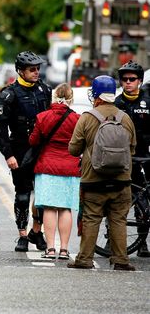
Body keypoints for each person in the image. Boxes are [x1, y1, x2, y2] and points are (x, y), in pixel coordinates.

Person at [68, 75, 136, 271]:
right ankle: (121, 260)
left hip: (93, 180)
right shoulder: (126, 118)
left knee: (91, 218)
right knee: (118, 219)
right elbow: (132, 149)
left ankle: (85, 259)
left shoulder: (87, 118)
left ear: (96, 95)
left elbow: (73, 149)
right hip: (122, 180)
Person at [0, 50, 51, 252]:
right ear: (20, 71)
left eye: (38, 69)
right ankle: (23, 235)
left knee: (43, 196)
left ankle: (37, 231)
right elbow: (0, 130)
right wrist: (8, 155)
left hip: (41, 150)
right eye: (31, 70)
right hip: (19, 150)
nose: (36, 73)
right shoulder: (9, 94)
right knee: (23, 196)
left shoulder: (45, 90)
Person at [29, 83, 80, 259]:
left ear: (54, 96)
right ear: (71, 99)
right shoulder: (77, 119)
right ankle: (64, 250)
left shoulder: (42, 117)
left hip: (47, 166)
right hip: (70, 167)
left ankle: (50, 249)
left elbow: (33, 141)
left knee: (49, 208)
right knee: (65, 208)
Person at [114, 60, 150, 258]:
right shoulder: (118, 103)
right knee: (133, 198)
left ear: (140, 81)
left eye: (132, 79)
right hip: (127, 157)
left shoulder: (148, 100)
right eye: (124, 79)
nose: (128, 82)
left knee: (146, 197)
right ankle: (140, 241)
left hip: (147, 153)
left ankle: (144, 239)